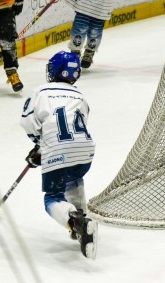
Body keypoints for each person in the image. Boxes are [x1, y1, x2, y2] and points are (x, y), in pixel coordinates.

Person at [21, 51, 97, 259]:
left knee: (52, 197)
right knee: (72, 178)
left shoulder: (41, 91)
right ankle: (82, 221)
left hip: (58, 149)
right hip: (85, 150)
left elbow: (28, 122)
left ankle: (75, 220)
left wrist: (39, 147)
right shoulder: (80, 95)